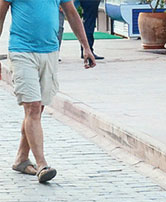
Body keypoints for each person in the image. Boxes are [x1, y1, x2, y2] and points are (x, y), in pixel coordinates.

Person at [0, 0, 97, 184]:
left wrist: (86, 46)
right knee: (33, 108)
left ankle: (21, 158)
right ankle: (42, 165)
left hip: (51, 51)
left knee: (38, 108)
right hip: (22, 51)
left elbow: (72, 13)